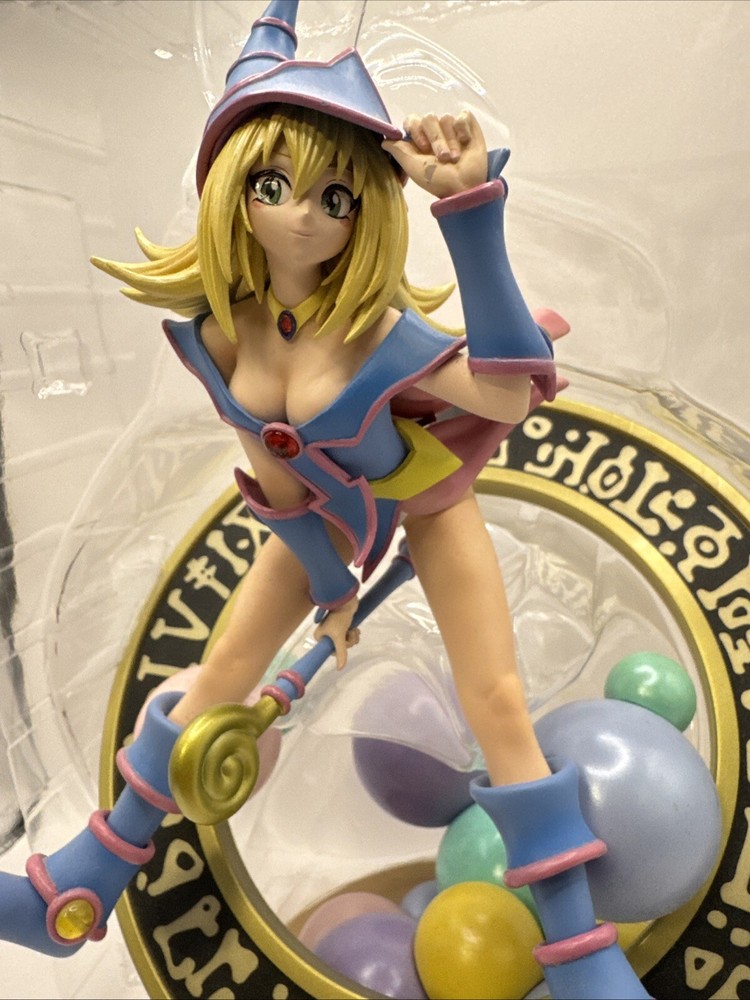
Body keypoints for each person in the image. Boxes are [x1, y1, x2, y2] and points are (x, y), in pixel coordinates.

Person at [0, 3, 649, 998]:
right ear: (232, 189)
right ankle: (78, 887)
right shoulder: (215, 335)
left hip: (429, 500)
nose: (304, 215)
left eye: (335, 196)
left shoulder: (376, 335)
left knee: (497, 703)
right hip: (320, 520)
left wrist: (471, 212)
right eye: (274, 186)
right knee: (216, 672)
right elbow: (273, 485)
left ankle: (580, 954)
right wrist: (331, 589)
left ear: (364, 212)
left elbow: (510, 392)